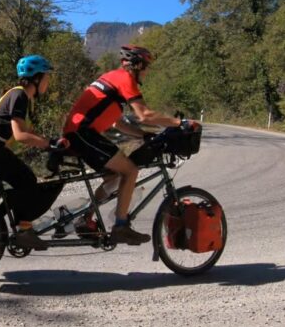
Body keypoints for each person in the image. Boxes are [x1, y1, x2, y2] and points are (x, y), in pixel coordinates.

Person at [63, 45, 200, 243]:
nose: (147, 71)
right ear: (137, 65)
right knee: (130, 170)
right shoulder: (125, 79)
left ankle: (86, 218)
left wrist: (143, 135)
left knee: (114, 176)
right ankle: (120, 226)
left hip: (82, 133)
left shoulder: (114, 81)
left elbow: (118, 123)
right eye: (146, 67)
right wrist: (181, 122)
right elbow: (144, 114)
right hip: (81, 134)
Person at [0, 55, 67, 250]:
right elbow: (20, 135)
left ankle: (1, 221)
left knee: (25, 181)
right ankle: (20, 230)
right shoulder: (20, 95)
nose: (48, 82)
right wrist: (49, 145)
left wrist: (51, 141)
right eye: (46, 78)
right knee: (27, 181)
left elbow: (27, 131)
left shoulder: (21, 96)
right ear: (36, 78)